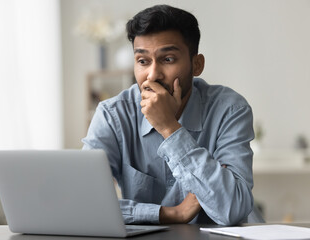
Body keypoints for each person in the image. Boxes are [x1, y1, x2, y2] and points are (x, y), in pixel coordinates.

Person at [82, 4, 254, 225]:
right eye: (143, 61)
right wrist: (173, 214)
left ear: (197, 64)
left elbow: (232, 209)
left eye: (168, 59)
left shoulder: (230, 110)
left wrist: (169, 128)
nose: (152, 74)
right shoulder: (113, 115)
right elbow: (84, 203)